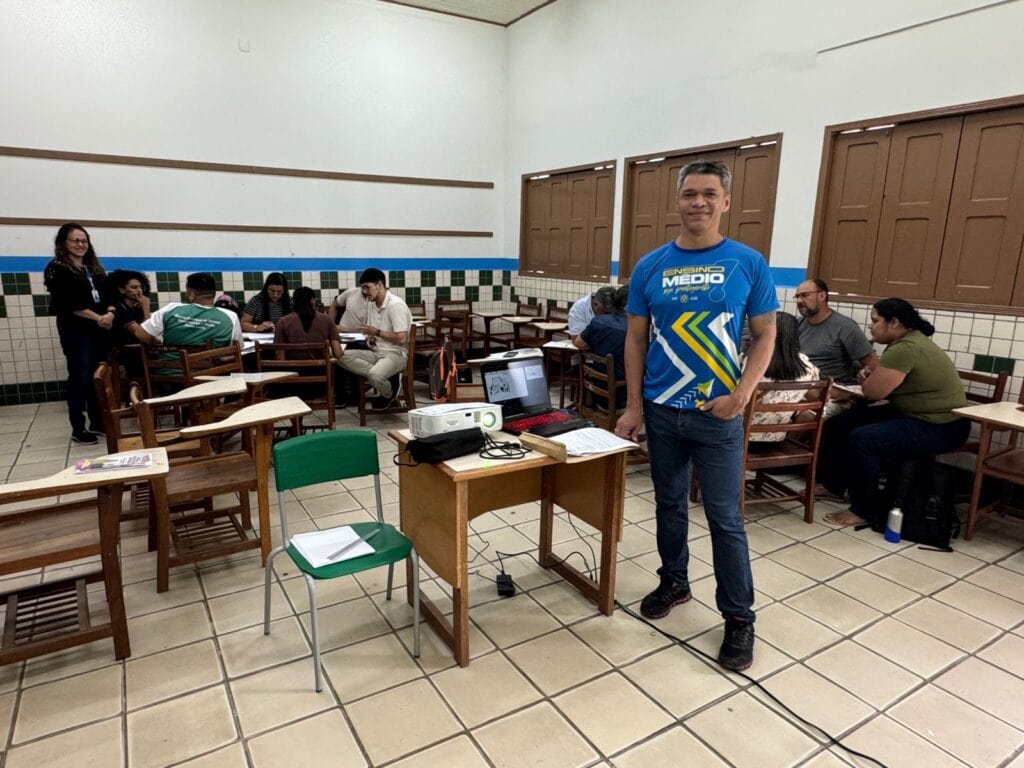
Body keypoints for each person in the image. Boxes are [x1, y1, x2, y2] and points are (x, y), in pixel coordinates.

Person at [614, 160, 778, 672]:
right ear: (678, 200)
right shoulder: (650, 266)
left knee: (725, 519)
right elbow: (635, 340)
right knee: (668, 504)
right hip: (662, 411)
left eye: (709, 193)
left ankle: (739, 617)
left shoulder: (748, 262)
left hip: (718, 415)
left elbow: (766, 335)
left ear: (726, 202)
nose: (698, 202)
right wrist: (634, 406)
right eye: (690, 194)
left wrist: (741, 396)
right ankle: (675, 581)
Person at [817, 298, 969, 527]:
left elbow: (873, 392)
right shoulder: (908, 341)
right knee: (846, 421)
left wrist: (867, 381)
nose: (870, 326)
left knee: (863, 438)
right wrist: (870, 378)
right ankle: (834, 485)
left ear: (894, 322)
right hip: (917, 414)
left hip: (941, 425)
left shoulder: (905, 348)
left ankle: (863, 509)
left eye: (875, 320)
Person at [44, 223, 114, 445]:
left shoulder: (93, 267)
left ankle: (98, 422)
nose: (80, 244)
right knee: (80, 376)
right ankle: (78, 427)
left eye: (84, 240)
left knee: (97, 375)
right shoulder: (57, 268)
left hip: (100, 329)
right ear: (63, 243)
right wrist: (98, 318)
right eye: (75, 240)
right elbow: (65, 303)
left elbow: (109, 294)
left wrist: (110, 313)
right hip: (76, 329)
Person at [335, 268, 412, 408]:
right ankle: (387, 377)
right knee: (340, 356)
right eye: (362, 288)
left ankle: (390, 393)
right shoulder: (372, 304)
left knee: (375, 375)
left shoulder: (395, 305)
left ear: (380, 285)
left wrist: (376, 332)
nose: (364, 291)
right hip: (376, 351)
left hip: (395, 354)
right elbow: (372, 333)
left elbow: (402, 339)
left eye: (367, 287)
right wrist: (370, 337)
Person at [747, 312, 820, 443]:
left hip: (739, 439)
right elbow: (814, 397)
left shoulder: (752, 361)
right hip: (777, 440)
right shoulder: (807, 367)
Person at [795, 278, 877, 383]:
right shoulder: (797, 324)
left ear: (822, 296)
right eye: (797, 297)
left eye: (804, 295)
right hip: (797, 383)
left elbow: (872, 363)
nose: (799, 301)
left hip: (830, 388)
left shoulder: (845, 327)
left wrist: (863, 374)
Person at [130, 272, 242, 348]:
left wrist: (158, 342)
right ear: (213, 293)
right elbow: (238, 347)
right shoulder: (230, 316)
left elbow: (141, 335)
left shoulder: (171, 309)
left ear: (192, 295)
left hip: (169, 373)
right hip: (211, 374)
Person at [573, 285, 628, 409]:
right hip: (623, 401)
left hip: (599, 396)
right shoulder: (635, 329)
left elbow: (578, 342)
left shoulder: (598, 322)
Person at [106, 269, 152, 383]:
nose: (139, 291)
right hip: (122, 356)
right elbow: (144, 335)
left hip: (136, 353)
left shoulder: (136, 309)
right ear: (122, 290)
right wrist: (146, 308)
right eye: (134, 287)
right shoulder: (119, 309)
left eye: (141, 287)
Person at [274, 287, 343, 360]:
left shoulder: (283, 322)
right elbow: (338, 353)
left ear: (293, 302)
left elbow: (280, 357)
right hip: (321, 366)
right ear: (313, 300)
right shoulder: (327, 320)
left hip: (292, 366)